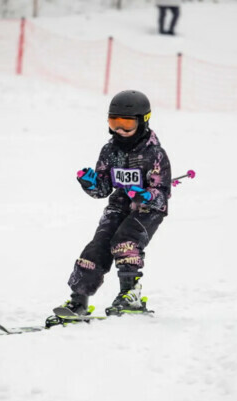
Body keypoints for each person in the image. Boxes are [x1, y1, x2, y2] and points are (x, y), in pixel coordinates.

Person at [60, 90, 172, 317]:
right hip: (119, 205)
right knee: (97, 247)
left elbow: (162, 192)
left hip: (147, 210)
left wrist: (148, 195)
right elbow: (102, 189)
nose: (120, 130)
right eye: (114, 123)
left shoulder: (155, 154)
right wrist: (90, 184)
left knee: (126, 241)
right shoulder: (110, 151)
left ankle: (130, 294)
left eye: (127, 124)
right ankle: (78, 300)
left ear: (143, 122)